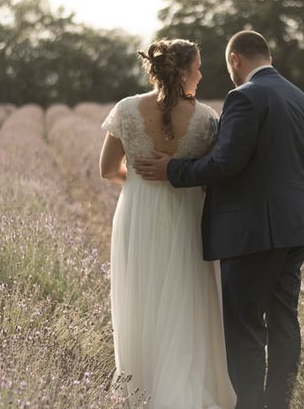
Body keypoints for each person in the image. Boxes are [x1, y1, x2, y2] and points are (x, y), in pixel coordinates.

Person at [134, 30, 304, 409]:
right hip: (296, 227)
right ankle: (278, 403)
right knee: (285, 323)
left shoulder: (244, 97)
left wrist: (174, 170)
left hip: (252, 232)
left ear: (235, 59)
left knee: (245, 328)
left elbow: (226, 162)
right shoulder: (301, 99)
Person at [99, 39, 236, 409]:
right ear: (185, 72)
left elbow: (107, 170)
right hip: (186, 213)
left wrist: (142, 180)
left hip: (138, 213)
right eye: (198, 68)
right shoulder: (207, 119)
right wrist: (176, 174)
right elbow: (211, 176)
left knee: (143, 296)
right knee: (186, 294)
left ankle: (144, 391)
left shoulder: (126, 110)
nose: (201, 75)